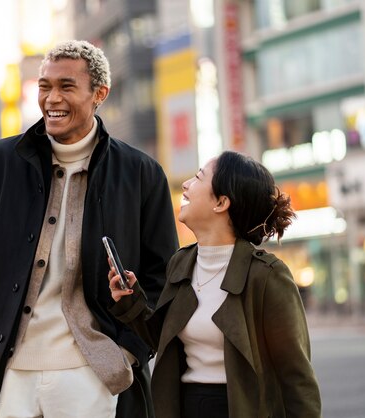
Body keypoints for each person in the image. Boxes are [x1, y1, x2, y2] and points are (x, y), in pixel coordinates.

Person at [0, 40, 178, 418]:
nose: (51, 99)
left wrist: (126, 354)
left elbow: (161, 278)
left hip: (91, 373)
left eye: (66, 86)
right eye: (44, 86)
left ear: (99, 94)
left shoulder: (140, 174)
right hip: (6, 371)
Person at [108, 151, 322, 418]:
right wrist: (130, 300)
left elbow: (297, 377)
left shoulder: (266, 276)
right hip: (185, 406)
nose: (186, 185)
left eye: (198, 178)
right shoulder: (181, 263)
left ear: (221, 202)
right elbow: (163, 339)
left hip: (238, 408)